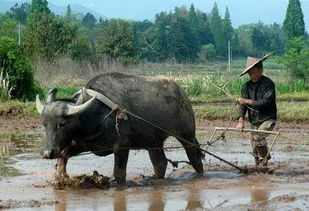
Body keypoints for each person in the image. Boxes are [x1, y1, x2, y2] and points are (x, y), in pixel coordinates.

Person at [235, 54, 277, 167]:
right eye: (251, 73)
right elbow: (242, 106)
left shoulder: (268, 84)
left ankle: (265, 158)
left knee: (258, 137)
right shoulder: (246, 86)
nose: (253, 75)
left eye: (255, 72)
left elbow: (265, 102)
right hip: (253, 120)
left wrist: (247, 101)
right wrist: (240, 121)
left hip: (267, 118)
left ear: (261, 70)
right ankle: (260, 167)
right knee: (254, 147)